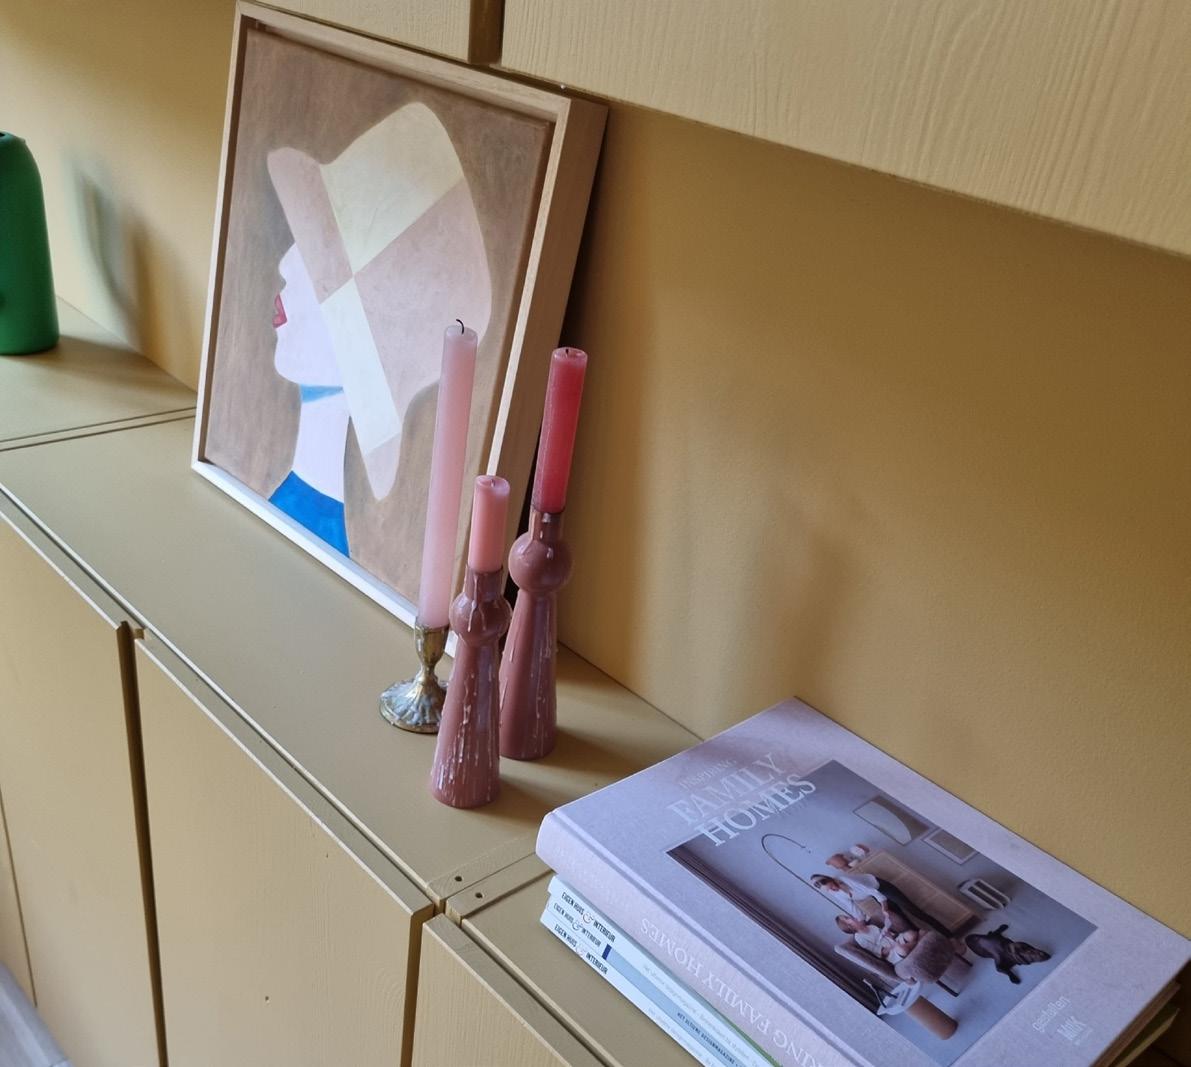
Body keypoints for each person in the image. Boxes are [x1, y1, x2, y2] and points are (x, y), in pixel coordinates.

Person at [834, 914, 921, 963]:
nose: (851, 916)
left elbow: (889, 936)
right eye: (847, 918)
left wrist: (889, 934)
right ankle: (917, 943)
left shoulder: (871, 926)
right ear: (849, 926)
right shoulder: (859, 938)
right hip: (892, 953)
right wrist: (894, 945)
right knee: (903, 950)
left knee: (911, 934)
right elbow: (881, 953)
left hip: (895, 940)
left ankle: (913, 944)